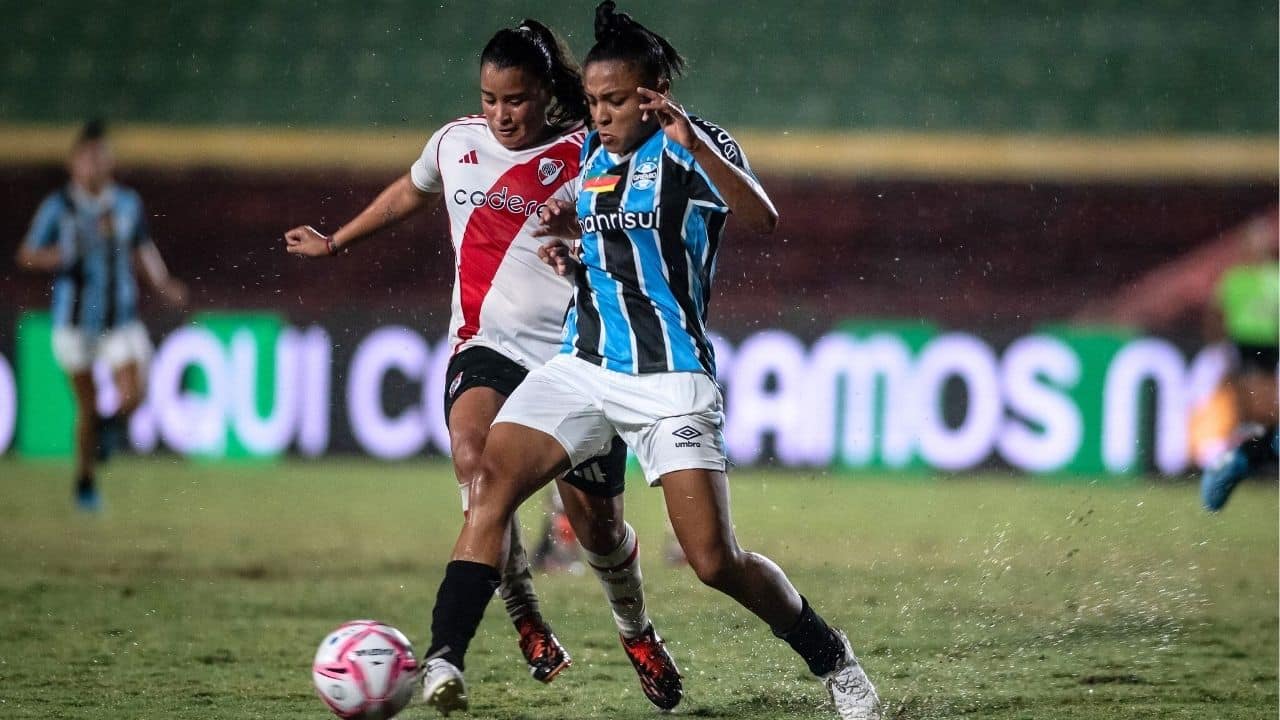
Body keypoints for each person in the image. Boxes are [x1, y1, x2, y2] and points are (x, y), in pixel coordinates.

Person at [419, 4, 882, 719]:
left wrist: (695, 143)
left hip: (669, 378)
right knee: (488, 484)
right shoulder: (591, 157)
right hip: (583, 366)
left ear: (654, 92)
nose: (599, 115)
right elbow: (595, 225)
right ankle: (444, 660)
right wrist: (569, 240)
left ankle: (835, 660)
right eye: (595, 102)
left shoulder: (690, 151)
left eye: (614, 101)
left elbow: (762, 219)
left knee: (713, 561)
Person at [282, 20, 679, 706]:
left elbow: (629, 220)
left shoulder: (588, 150)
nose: (501, 115)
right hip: (485, 346)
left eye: (516, 100)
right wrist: (337, 241)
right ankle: (522, 614)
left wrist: (582, 240)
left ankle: (635, 628)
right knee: (475, 465)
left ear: (545, 93)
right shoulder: (454, 143)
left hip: (574, 357)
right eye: (491, 100)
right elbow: (412, 190)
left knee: (600, 529)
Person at [15, 119, 187, 511]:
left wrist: (163, 284)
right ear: (74, 164)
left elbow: (143, 249)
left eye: (100, 156)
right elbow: (26, 254)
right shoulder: (58, 206)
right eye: (87, 158)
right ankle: (85, 481)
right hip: (74, 323)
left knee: (136, 392)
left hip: (119, 318)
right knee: (87, 408)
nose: (94, 164)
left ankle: (108, 431)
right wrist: (55, 257)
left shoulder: (127, 203)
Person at [1199, 222, 1278, 511]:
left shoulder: (1273, 278)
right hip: (1246, 347)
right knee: (1254, 413)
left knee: (1263, 418)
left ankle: (1240, 460)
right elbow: (1216, 313)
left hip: (1269, 348)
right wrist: (1219, 347)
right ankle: (1239, 460)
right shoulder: (1235, 280)